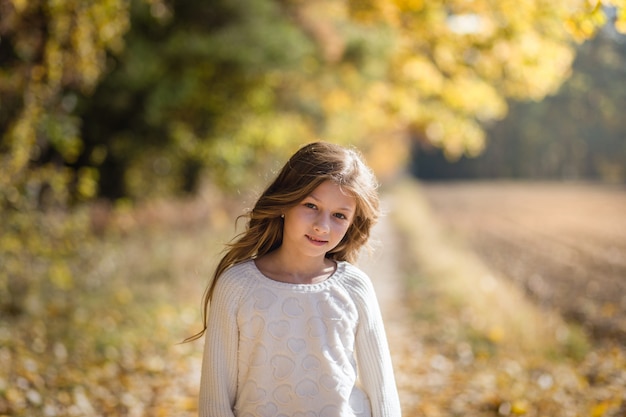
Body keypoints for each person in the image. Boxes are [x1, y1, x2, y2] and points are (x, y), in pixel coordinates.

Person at [193, 141, 401, 417]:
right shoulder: (237, 286)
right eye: (311, 205)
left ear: (352, 223)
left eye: (339, 215)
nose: (322, 225)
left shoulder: (355, 287)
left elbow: (383, 393)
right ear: (285, 201)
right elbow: (215, 401)